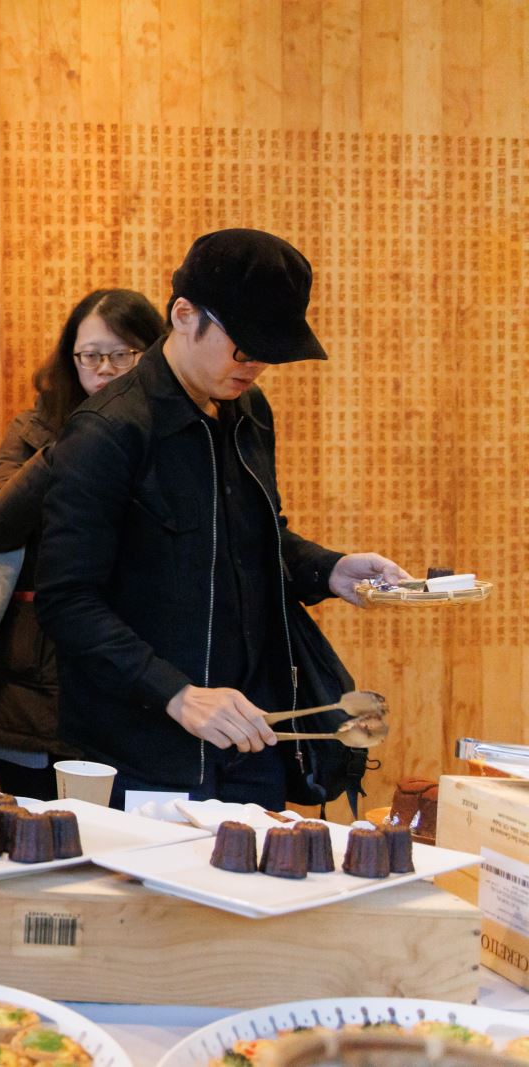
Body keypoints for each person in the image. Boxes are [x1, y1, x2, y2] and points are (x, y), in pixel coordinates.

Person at [36, 229, 408, 808]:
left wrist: (330, 570)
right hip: (142, 748)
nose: (255, 367)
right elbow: (67, 600)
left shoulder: (248, 410)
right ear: (185, 316)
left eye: (268, 353)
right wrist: (177, 693)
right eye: (244, 348)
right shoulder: (107, 430)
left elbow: (254, 538)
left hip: (251, 737)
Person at [0, 289, 165, 800]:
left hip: (143, 673)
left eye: (122, 354)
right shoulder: (36, 430)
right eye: (90, 355)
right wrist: (77, 440)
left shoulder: (175, 437)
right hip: (36, 683)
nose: (104, 369)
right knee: (33, 833)